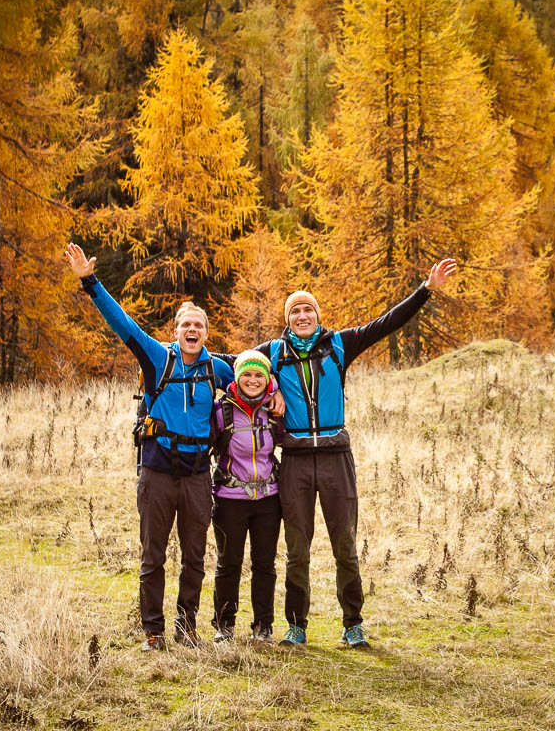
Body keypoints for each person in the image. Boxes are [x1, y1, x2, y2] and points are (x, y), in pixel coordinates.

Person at [253, 259, 458, 648]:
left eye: (307, 309)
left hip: (335, 459)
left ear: (317, 315)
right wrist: (268, 390)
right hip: (294, 462)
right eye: (294, 310)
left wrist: (425, 290)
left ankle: (353, 625)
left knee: (345, 545)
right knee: (297, 550)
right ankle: (296, 627)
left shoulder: (339, 345)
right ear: (287, 318)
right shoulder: (272, 353)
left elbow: (386, 324)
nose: (301, 315)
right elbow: (237, 367)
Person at [64, 242, 240, 652]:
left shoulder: (217, 368)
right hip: (157, 471)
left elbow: (253, 377)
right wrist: (89, 281)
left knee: (195, 557)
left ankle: (187, 626)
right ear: (175, 332)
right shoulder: (158, 358)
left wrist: (274, 393)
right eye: (186, 326)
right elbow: (122, 323)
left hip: (197, 475)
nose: (192, 331)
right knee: (153, 557)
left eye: (199, 326)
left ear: (207, 334)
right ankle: (153, 632)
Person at [210, 350, 285, 644]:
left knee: (264, 564)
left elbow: (285, 443)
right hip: (229, 498)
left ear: (267, 380)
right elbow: (206, 448)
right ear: (236, 377)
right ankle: (224, 625)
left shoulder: (275, 411)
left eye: (259, 375)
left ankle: (263, 626)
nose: (252, 380)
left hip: (269, 499)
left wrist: (277, 391)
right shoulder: (221, 411)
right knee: (229, 562)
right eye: (246, 374)